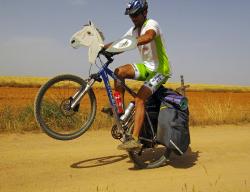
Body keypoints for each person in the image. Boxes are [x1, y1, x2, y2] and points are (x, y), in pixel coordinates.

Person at [104, 0, 171, 150]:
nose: (133, 18)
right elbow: (120, 43)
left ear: (144, 12)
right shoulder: (134, 30)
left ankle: (134, 139)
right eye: (131, 15)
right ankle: (119, 111)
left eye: (135, 14)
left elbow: (148, 36)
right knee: (118, 72)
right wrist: (103, 48)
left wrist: (134, 41)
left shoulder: (151, 24)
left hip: (160, 70)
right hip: (147, 67)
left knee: (140, 98)